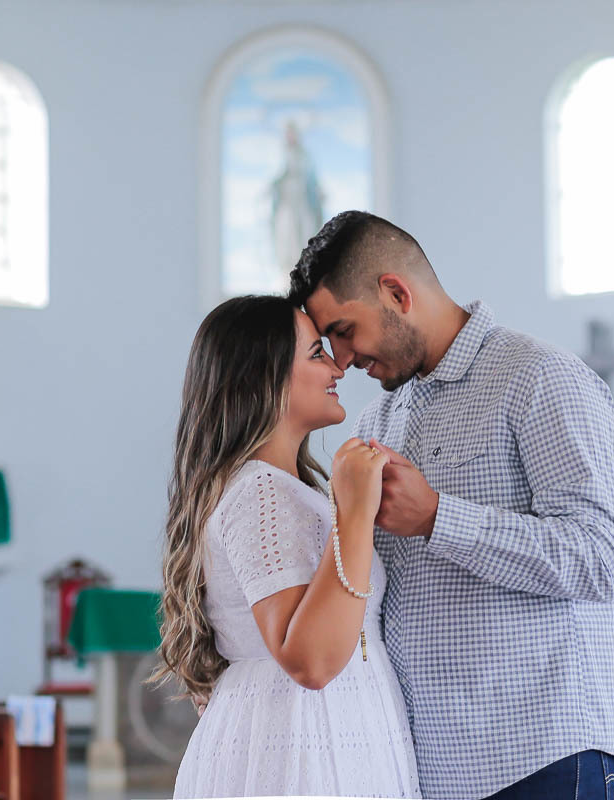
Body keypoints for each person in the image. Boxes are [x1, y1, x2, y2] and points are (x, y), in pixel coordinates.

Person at [287, 211, 614, 800]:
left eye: (345, 331)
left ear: (396, 293)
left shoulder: (540, 377)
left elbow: (599, 560)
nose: (342, 359)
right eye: (329, 343)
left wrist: (437, 518)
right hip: (430, 766)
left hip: (541, 754)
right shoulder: (378, 420)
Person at [151, 294, 420, 797]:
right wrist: (355, 510)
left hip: (322, 732)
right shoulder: (261, 493)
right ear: (264, 377)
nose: (337, 367)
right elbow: (311, 662)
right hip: (299, 746)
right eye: (317, 353)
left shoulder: (283, 489)